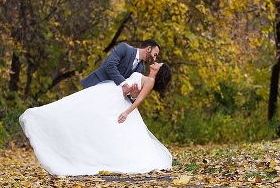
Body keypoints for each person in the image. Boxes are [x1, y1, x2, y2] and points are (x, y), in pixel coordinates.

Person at [19, 62, 174, 176]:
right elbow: (134, 93)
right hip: (111, 93)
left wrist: (126, 112)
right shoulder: (145, 76)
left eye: (159, 64)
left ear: (160, 71)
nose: (156, 62)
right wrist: (131, 92)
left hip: (118, 101)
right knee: (81, 107)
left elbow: (139, 99)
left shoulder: (151, 81)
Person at [80, 39, 160, 101]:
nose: (154, 58)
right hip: (96, 85)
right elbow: (110, 66)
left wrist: (133, 96)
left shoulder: (141, 69)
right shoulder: (124, 48)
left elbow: (129, 92)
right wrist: (124, 84)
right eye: (155, 55)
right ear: (148, 49)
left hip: (108, 98)